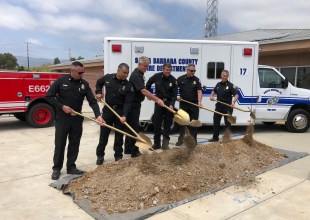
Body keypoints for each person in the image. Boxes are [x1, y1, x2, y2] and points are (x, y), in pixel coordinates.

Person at [46, 61, 104, 180]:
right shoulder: (61, 81)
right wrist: (62, 107)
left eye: (83, 72)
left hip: (77, 119)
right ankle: (56, 168)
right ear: (71, 71)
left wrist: (98, 115)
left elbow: (92, 101)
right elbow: (49, 96)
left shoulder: (84, 84)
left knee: (74, 144)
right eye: (79, 72)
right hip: (62, 119)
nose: (82, 74)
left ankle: (71, 167)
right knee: (60, 144)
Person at [124, 56, 165, 157]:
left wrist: (147, 96)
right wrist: (157, 99)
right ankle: (134, 151)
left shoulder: (139, 73)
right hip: (133, 105)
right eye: (145, 66)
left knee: (130, 127)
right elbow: (143, 90)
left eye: (147, 66)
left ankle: (127, 149)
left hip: (134, 103)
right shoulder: (137, 75)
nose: (146, 68)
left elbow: (142, 91)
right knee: (134, 128)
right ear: (139, 65)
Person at [95, 63, 133, 164]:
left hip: (120, 113)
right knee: (104, 135)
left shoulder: (128, 85)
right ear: (118, 70)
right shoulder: (108, 78)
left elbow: (128, 102)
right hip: (108, 110)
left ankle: (118, 156)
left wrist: (124, 115)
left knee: (119, 136)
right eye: (124, 72)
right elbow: (99, 83)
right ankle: (100, 156)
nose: (125, 75)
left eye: (127, 73)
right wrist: (98, 92)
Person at [146, 63, 178, 150]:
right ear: (163, 69)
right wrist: (149, 95)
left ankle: (165, 144)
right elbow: (148, 84)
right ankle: (156, 144)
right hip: (158, 103)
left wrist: (172, 104)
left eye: (169, 70)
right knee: (157, 124)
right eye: (167, 70)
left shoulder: (173, 80)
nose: (168, 71)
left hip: (168, 105)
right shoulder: (156, 76)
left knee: (167, 125)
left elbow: (174, 94)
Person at [175, 64, 202, 146]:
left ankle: (193, 140)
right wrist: (176, 97)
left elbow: (199, 91)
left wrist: (199, 102)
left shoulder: (197, 80)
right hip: (183, 104)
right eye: (191, 71)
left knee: (193, 123)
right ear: (187, 70)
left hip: (194, 104)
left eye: (194, 71)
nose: (193, 72)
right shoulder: (180, 79)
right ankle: (181, 140)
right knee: (182, 123)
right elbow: (174, 89)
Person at [209, 70, 239, 142]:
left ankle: (226, 138)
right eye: (223, 76)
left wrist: (234, 102)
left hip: (227, 106)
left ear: (227, 76)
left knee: (227, 123)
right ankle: (215, 137)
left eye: (226, 76)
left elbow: (236, 95)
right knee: (216, 122)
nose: (224, 77)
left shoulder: (231, 85)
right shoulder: (218, 84)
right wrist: (211, 95)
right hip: (219, 106)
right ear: (221, 76)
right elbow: (214, 91)